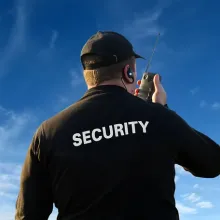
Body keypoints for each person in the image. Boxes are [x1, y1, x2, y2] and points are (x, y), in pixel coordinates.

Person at [15, 31, 220, 220]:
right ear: (128, 72)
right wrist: (161, 110)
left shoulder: (48, 132)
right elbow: (212, 163)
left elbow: (28, 214)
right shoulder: (159, 118)